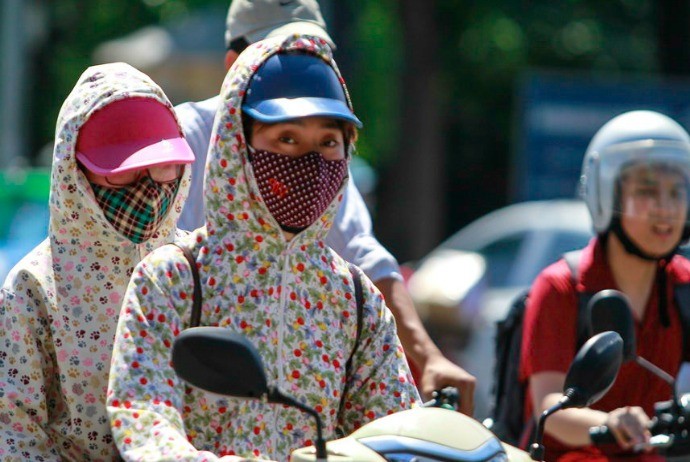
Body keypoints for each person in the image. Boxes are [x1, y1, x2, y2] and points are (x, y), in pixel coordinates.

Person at [107, 35, 420, 461]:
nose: (309, 160)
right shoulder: (172, 277)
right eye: (286, 139)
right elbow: (143, 413)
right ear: (239, 146)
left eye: (328, 142)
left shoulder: (356, 298)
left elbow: (395, 431)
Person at [175, 0, 475, 414]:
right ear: (234, 65)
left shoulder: (353, 291)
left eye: (310, 57)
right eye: (277, 57)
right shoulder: (184, 142)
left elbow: (363, 255)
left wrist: (429, 357)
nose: (295, 74)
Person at [0, 62, 194, 460]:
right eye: (121, 174)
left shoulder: (199, 269)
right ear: (75, 173)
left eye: (162, 168)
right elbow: (16, 433)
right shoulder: (33, 289)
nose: (148, 189)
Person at [520, 110, 690, 461]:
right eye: (647, 191)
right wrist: (609, 422)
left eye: (677, 192)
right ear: (605, 196)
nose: (666, 208)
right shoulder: (561, 287)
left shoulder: (686, 285)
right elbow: (549, 408)